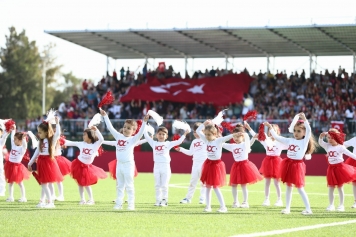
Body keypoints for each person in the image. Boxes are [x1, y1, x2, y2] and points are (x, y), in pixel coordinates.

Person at [264, 112, 317, 215]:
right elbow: (278, 137)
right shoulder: (290, 140)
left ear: (304, 133)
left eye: (299, 131)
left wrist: (305, 119)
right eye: (295, 131)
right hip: (288, 164)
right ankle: (287, 208)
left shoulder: (304, 141)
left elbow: (309, 130)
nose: (296, 133)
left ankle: (308, 209)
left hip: (297, 166)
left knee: (300, 188)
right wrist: (270, 127)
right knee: (288, 187)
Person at [100, 108, 149, 211]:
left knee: (129, 185)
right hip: (119, 164)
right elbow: (110, 127)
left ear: (133, 131)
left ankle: (131, 204)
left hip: (128, 165)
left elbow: (140, 134)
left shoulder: (132, 139)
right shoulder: (118, 136)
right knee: (119, 186)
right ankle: (119, 203)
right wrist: (105, 116)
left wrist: (144, 122)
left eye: (129, 128)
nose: (126, 129)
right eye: (125, 127)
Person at [196, 120, 237, 213]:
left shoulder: (218, 141)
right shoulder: (206, 140)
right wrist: (204, 124)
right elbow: (198, 131)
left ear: (214, 134)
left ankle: (223, 207)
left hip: (216, 165)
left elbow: (227, 137)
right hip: (208, 164)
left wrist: (235, 134)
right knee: (208, 186)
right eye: (205, 134)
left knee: (215, 187)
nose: (206, 136)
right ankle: (208, 206)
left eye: (209, 135)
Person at [144, 125, 188, 207]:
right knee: (157, 185)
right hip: (156, 166)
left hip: (165, 166)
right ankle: (158, 200)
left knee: (164, 185)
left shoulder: (168, 143)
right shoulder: (154, 143)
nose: (161, 136)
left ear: (166, 136)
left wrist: (185, 134)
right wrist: (144, 125)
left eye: (163, 134)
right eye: (159, 134)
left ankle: (164, 200)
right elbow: (146, 136)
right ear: (156, 135)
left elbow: (178, 141)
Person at [245, 122, 288, 207]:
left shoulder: (280, 141)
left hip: (277, 162)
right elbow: (256, 135)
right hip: (268, 161)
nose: (271, 132)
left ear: (277, 132)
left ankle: (279, 200)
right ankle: (266, 199)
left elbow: (290, 144)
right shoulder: (265, 139)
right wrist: (249, 128)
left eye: (274, 130)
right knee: (267, 182)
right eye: (269, 130)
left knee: (276, 183)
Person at [222, 124, 263, 208]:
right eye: (234, 137)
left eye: (238, 136)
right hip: (236, 166)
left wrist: (244, 133)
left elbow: (248, 139)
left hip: (244, 165)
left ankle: (245, 202)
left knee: (243, 185)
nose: (236, 139)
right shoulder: (232, 146)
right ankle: (235, 201)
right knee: (234, 184)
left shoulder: (245, 145)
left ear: (242, 136)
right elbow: (221, 143)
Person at [64, 126, 106, 205]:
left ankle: (91, 200)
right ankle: (82, 199)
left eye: (85, 135)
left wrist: (96, 130)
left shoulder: (95, 145)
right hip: (78, 165)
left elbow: (102, 139)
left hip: (87, 167)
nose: (83, 136)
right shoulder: (81, 144)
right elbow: (70, 142)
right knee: (80, 184)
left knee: (86, 184)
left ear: (90, 136)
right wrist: (61, 141)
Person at [28, 117, 63, 208]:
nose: (38, 134)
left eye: (40, 132)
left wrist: (57, 123)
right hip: (41, 162)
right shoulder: (41, 141)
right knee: (44, 183)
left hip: (48, 162)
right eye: (38, 132)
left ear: (46, 132)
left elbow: (58, 133)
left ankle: (50, 202)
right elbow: (37, 152)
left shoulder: (52, 140)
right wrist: (30, 162)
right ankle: (42, 201)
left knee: (44, 183)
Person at [319, 129, 356, 211]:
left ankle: (341, 205)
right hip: (331, 169)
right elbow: (321, 143)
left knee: (340, 187)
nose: (329, 140)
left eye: (332, 137)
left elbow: (350, 154)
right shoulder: (327, 146)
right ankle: (331, 205)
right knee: (331, 188)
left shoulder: (341, 147)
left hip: (340, 168)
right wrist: (321, 137)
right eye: (328, 138)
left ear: (337, 137)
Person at [176, 122, 207, 205]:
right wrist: (181, 149)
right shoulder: (194, 141)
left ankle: (202, 198)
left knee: (203, 182)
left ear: (203, 131)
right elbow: (190, 152)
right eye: (194, 132)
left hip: (204, 163)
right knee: (193, 181)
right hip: (195, 164)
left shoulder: (206, 139)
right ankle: (188, 198)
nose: (196, 133)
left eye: (198, 131)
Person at [4, 126, 30, 202]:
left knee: (20, 183)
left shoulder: (22, 149)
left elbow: (25, 146)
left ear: (20, 140)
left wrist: (24, 139)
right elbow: (12, 136)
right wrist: (13, 129)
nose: (13, 140)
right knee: (10, 183)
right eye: (14, 139)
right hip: (10, 165)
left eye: (16, 139)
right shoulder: (14, 145)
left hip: (17, 167)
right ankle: (11, 197)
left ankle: (23, 197)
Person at [344, 135, 356, 208]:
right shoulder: (355, 139)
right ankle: (355, 201)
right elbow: (343, 145)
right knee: (355, 183)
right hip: (354, 161)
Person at [0, 123, 10, 196]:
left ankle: (2, 190)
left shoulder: (1, 141)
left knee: (1, 175)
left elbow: (4, 137)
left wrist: (7, 131)